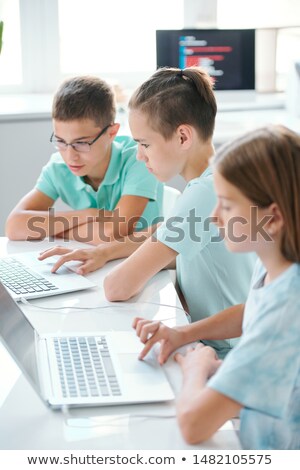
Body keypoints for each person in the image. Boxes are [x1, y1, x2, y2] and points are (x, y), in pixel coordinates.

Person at [39, 67, 254, 359]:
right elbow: (170, 237)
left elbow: (117, 287)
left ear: (182, 137)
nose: (139, 155)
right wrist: (105, 252)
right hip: (223, 344)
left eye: (144, 144)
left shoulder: (204, 194)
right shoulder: (218, 179)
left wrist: (114, 254)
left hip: (227, 354)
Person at [134, 124, 300, 450]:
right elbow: (250, 310)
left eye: (225, 205)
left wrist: (198, 366)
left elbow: (194, 425)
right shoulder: (279, 264)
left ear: (273, 217)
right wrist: (184, 334)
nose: (213, 217)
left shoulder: (285, 311)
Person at [5, 76, 163, 245]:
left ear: (111, 133)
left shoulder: (139, 157)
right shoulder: (59, 167)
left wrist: (55, 231)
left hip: (142, 264)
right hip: (92, 261)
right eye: (60, 141)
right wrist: (88, 214)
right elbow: (14, 227)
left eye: (81, 143)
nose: (70, 156)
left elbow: (113, 234)